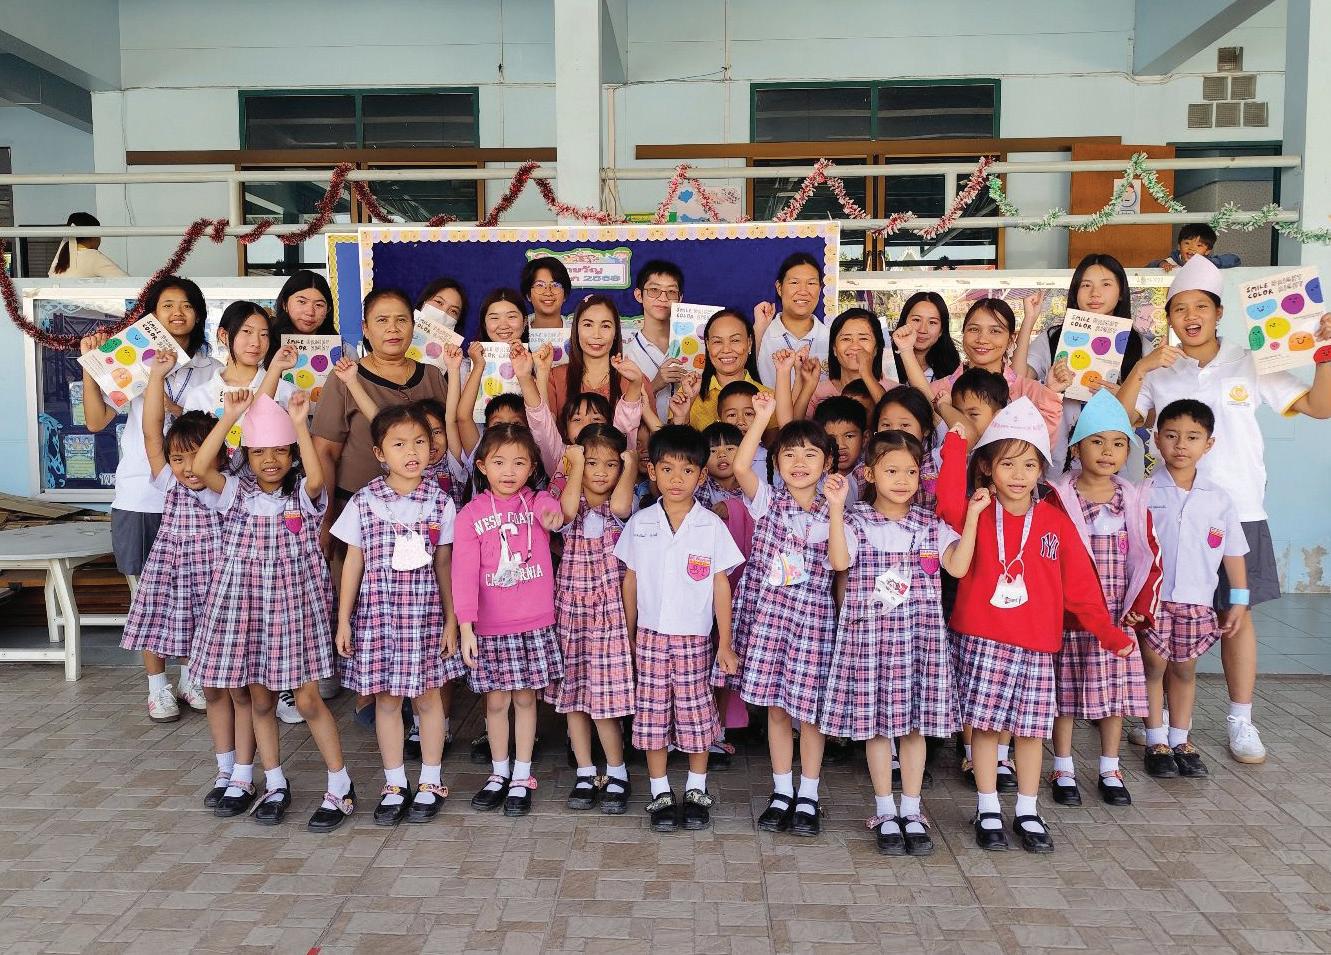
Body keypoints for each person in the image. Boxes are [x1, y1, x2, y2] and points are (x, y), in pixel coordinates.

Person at [1116, 253, 1331, 764]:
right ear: (1169, 317)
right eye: (1179, 308)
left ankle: (1241, 719)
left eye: (1201, 307)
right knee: (1159, 614)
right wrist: (1142, 367)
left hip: (1239, 509)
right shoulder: (1161, 369)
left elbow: (1319, 407)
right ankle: (1160, 720)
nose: (1190, 317)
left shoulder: (1251, 360)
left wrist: (1324, 354)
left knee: (1238, 614)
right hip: (1169, 513)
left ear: (1219, 313)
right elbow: (1121, 421)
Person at [936, 398, 1136, 853]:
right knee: (985, 728)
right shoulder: (976, 510)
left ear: (1042, 471)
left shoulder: (1055, 522)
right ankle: (988, 806)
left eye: (1030, 465)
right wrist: (955, 445)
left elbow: (1081, 587)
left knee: (1030, 732)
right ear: (987, 468)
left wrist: (1108, 633)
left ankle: (1027, 809)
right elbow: (946, 503)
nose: (1019, 474)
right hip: (982, 640)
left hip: (1036, 646)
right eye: (1008, 463)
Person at [190, 391, 355, 832]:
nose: (270, 460)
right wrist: (230, 416)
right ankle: (275, 782)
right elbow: (202, 468)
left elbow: (317, 478)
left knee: (307, 698)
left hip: (294, 610)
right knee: (260, 698)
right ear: (246, 455)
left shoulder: (302, 495)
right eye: (260, 451)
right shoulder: (235, 494)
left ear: (292, 454)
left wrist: (300, 424)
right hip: (245, 608)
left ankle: (340, 784)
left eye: (280, 451)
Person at [824, 430, 982, 856]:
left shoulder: (930, 524)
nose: (902, 480)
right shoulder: (855, 520)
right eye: (891, 471)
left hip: (919, 641)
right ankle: (884, 810)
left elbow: (958, 566)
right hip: (870, 640)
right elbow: (839, 561)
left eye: (911, 472)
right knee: (877, 728)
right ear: (870, 474)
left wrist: (972, 518)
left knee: (914, 727)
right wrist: (836, 509)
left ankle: (911, 810)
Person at [79, 275, 221, 720]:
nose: (178, 313)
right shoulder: (133, 360)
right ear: (152, 315)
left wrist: (175, 407)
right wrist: (92, 368)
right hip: (142, 492)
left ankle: (192, 677)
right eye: (167, 306)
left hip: (196, 497)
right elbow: (96, 421)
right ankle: (156, 687)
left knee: (200, 593)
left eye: (187, 305)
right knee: (149, 597)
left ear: (198, 314)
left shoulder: (211, 369)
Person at [119, 351, 247, 812]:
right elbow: (151, 430)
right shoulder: (167, 482)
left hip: (221, 585)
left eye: (196, 456)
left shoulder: (225, 484)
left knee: (231, 680)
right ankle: (222, 761)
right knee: (194, 663)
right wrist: (156, 375)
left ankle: (240, 767)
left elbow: (232, 442)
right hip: (177, 578)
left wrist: (232, 414)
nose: (188, 467)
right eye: (179, 458)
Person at [332, 404, 461, 827]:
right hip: (379, 619)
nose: (412, 451)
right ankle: (394, 783)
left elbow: (445, 563)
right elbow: (353, 561)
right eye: (400, 444)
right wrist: (344, 619)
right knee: (387, 700)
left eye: (420, 442)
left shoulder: (441, 502)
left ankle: (430, 781)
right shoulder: (364, 501)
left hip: (425, 618)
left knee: (428, 698)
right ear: (380, 453)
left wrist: (451, 619)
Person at [719, 393, 838, 837]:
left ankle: (809, 794)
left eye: (810, 454)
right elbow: (741, 466)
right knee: (776, 710)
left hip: (815, 624)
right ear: (776, 462)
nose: (799, 462)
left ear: (828, 463)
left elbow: (842, 567)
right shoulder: (766, 500)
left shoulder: (837, 511)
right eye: (789, 454)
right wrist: (764, 417)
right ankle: (782, 791)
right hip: (771, 621)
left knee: (810, 713)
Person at [615, 425, 744, 832]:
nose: (676, 479)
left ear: (701, 476)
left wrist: (725, 642)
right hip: (650, 637)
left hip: (694, 638)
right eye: (667, 469)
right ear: (652, 471)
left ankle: (696, 788)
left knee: (696, 713)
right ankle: (659, 790)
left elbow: (721, 585)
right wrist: (629, 635)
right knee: (653, 713)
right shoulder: (640, 523)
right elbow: (631, 581)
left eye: (687, 471)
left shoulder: (711, 526)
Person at [1045, 390, 1162, 808]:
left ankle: (1109, 768)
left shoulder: (1132, 499)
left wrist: (1140, 608)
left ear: (1128, 451)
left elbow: (1150, 557)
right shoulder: (1058, 497)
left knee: (1114, 698)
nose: (1107, 451)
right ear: (1076, 448)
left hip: (1116, 617)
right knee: (1064, 696)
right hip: (1070, 617)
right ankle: (1062, 767)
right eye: (1096, 441)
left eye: (1117, 443)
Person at [453, 425, 565, 817]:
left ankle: (522, 774)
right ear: (482, 466)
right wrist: (466, 626)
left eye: (519, 463)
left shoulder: (535, 502)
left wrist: (552, 511)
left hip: (534, 623)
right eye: (499, 462)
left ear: (532, 467)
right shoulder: (470, 515)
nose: (509, 471)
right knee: (496, 700)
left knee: (526, 698)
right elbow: (462, 574)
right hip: (490, 626)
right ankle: (499, 772)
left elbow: (552, 511)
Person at [1141, 399, 1249, 780]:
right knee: (1153, 667)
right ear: (1157, 440)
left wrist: (1239, 600)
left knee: (1185, 670)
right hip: (1154, 601)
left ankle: (1180, 739)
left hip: (1196, 603)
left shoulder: (1219, 499)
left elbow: (1232, 552)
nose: (1181, 445)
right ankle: (1155, 740)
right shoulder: (1144, 492)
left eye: (1192, 437)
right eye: (1171, 436)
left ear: (1209, 443)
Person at [313, 288, 450, 551]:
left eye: (401, 320)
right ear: (365, 328)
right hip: (357, 516)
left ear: (413, 326)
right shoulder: (345, 378)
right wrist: (327, 519)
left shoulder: (432, 376)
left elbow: (452, 439)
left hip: (426, 516)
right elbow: (324, 452)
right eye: (382, 320)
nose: (393, 328)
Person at [548, 425, 637, 814]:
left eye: (611, 465)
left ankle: (617, 771)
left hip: (610, 613)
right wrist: (574, 466)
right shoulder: (571, 502)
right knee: (574, 698)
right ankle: (585, 771)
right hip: (571, 611)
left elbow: (621, 505)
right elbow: (566, 512)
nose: (601, 472)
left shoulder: (621, 507)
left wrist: (630, 466)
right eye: (592, 463)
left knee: (605, 699)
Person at [1014, 254, 1152, 476]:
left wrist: (1123, 396)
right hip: (1059, 461)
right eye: (1086, 285)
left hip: (1117, 469)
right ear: (1075, 291)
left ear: (1120, 293)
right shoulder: (1053, 338)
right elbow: (1019, 379)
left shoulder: (1140, 346)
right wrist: (1029, 319)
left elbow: (1149, 416)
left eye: (1106, 284)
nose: (1095, 293)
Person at [896, 297, 1069, 446]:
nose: (982, 339)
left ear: (1011, 340)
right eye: (974, 329)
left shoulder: (1032, 392)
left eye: (995, 331)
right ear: (963, 333)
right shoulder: (938, 391)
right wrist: (906, 349)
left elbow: (1044, 446)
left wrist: (1052, 393)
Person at [624, 259, 689, 421]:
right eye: (654, 290)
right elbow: (622, 414)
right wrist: (655, 384)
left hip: (688, 434)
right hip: (645, 435)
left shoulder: (693, 346)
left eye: (671, 292)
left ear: (680, 298)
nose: (663, 298)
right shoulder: (626, 354)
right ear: (639, 295)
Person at [687, 309, 771, 430]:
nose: (726, 350)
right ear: (707, 344)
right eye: (717, 341)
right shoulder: (689, 391)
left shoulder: (768, 398)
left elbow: (774, 442)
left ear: (749, 343)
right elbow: (671, 440)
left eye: (735, 340)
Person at [755, 252, 828, 390]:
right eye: (794, 282)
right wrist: (758, 330)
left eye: (811, 283)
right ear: (779, 288)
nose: (803, 291)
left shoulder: (832, 338)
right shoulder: (760, 335)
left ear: (820, 289)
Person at [806, 307, 892, 415]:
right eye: (846, 339)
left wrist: (867, 374)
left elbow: (890, 418)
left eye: (863, 338)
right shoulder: (815, 393)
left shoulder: (894, 391)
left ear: (876, 349)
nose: (855, 346)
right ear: (834, 349)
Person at [266, 271, 337, 365]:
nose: (310, 312)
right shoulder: (265, 345)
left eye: (318, 305)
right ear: (284, 304)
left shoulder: (343, 350)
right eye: (302, 302)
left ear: (328, 310)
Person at [889, 292, 961, 384]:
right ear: (904, 322)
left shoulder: (954, 370)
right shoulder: (885, 362)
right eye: (916, 320)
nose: (922, 330)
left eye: (932, 322)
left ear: (941, 330)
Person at [48, 213, 126, 278]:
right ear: (93, 235)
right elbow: (127, 282)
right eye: (99, 234)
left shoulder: (60, 259)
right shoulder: (93, 256)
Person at [1149, 223, 1241, 271]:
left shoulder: (1207, 263)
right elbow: (1149, 267)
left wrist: (1210, 263)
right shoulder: (1171, 262)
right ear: (1179, 246)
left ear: (1207, 251)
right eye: (1187, 243)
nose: (1192, 248)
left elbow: (1235, 260)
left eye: (1199, 245)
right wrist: (1161, 264)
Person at [521, 256, 572, 329]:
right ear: (528, 295)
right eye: (540, 285)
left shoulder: (578, 332)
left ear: (565, 295)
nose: (548, 293)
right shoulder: (517, 332)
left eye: (555, 285)